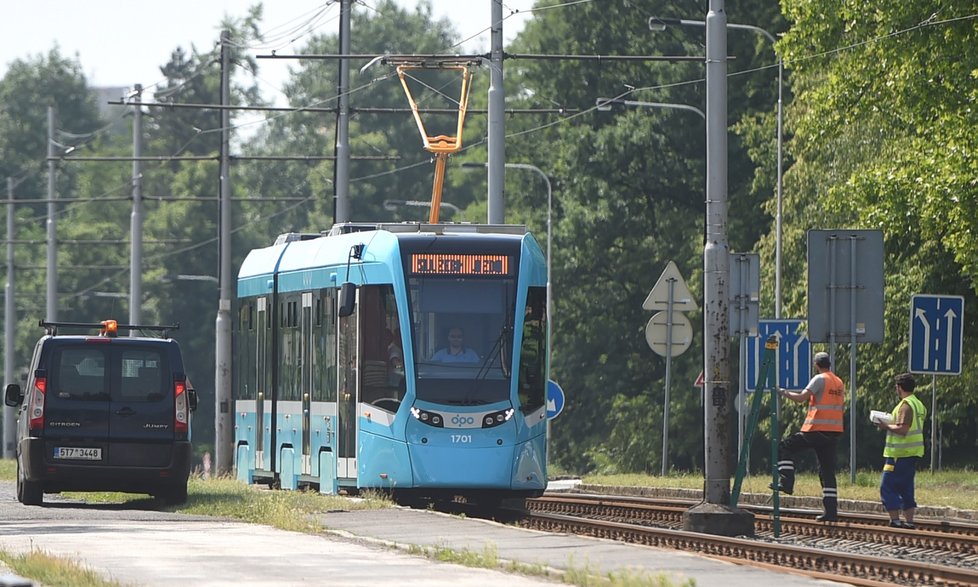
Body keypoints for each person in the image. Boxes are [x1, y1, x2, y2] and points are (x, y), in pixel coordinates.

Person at [773, 351, 845, 522]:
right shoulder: (838, 381)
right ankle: (831, 512)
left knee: (785, 446)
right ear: (829, 363)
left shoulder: (820, 379)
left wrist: (782, 392)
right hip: (833, 431)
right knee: (827, 471)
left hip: (816, 429)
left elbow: (801, 398)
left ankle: (787, 481)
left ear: (816, 364)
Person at [876, 372, 926, 529]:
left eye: (896, 387)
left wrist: (885, 426)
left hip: (898, 454)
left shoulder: (905, 405)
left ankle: (895, 521)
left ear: (899, 387)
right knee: (906, 486)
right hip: (913, 453)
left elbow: (903, 429)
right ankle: (909, 522)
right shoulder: (918, 404)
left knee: (887, 486)